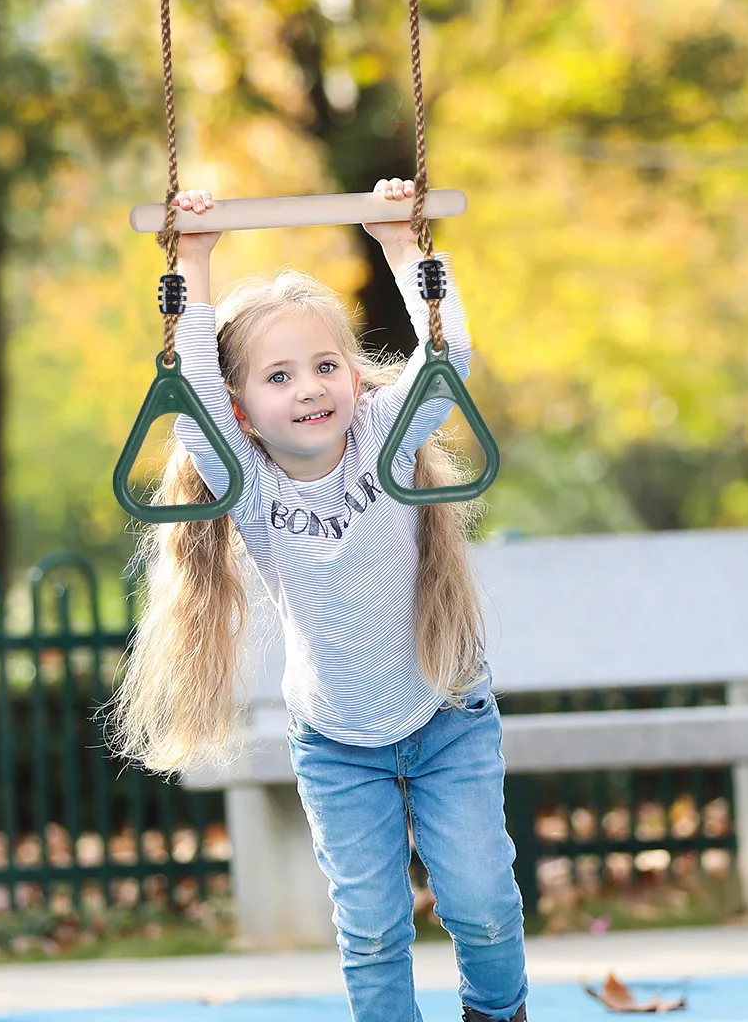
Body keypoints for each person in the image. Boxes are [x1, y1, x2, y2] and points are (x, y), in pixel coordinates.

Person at [109, 178, 528, 1022]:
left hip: (446, 713)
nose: (310, 387)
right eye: (280, 376)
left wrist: (404, 250)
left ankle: (498, 1010)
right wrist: (191, 262)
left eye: (325, 365)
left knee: (480, 901)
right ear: (244, 414)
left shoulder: (383, 435)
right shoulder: (247, 486)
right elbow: (190, 389)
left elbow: (452, 360)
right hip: (337, 745)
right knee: (371, 929)